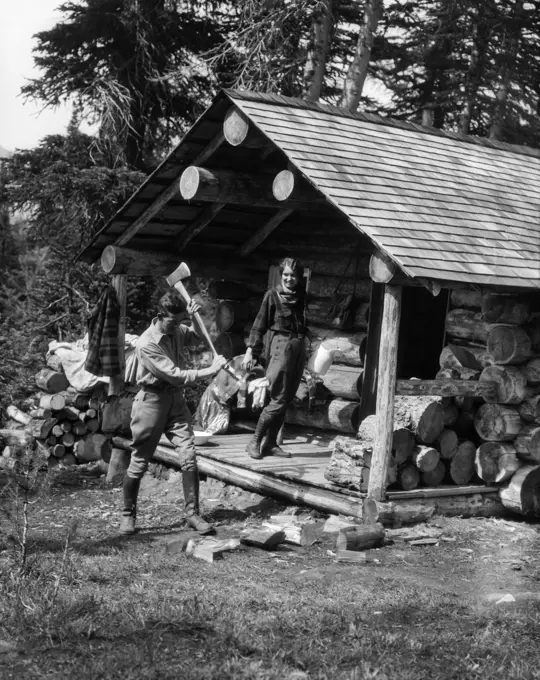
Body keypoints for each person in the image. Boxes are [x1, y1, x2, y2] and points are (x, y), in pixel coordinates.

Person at [120, 289, 227, 536]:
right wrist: (210, 369)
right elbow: (176, 376)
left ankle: (193, 514)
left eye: (182, 321)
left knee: (189, 456)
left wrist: (195, 320)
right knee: (140, 461)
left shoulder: (177, 328)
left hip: (175, 403)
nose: (179, 326)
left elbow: (197, 337)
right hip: (151, 403)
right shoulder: (147, 344)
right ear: (160, 315)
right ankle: (128, 515)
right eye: (175, 321)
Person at [242, 257, 308, 459]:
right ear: (281, 275)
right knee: (278, 396)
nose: (289, 279)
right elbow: (259, 325)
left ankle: (271, 444)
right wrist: (250, 351)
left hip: (298, 348)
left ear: (299, 277)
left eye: (293, 275)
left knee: (286, 398)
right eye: (286, 275)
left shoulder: (301, 296)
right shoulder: (272, 296)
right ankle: (255, 441)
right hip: (281, 347)